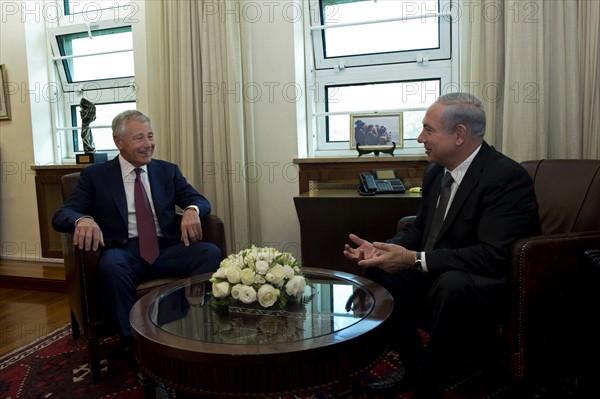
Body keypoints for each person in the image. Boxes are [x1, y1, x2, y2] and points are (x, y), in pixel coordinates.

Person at [343, 92, 540, 398]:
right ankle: (414, 365)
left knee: (452, 285)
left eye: (428, 130)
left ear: (459, 134)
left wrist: (414, 260)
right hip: (439, 267)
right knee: (378, 272)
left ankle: (427, 388)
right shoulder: (436, 171)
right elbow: (421, 227)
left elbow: (492, 256)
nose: (421, 137)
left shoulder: (507, 177)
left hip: (484, 280)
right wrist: (383, 251)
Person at [52, 110, 222, 347]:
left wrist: (192, 210)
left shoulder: (166, 170)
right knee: (111, 266)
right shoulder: (96, 175)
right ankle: (134, 342)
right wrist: (83, 220)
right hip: (124, 251)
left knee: (209, 253)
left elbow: (200, 200)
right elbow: (62, 215)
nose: (148, 144)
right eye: (139, 138)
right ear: (118, 142)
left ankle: (183, 325)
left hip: (164, 249)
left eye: (150, 136)